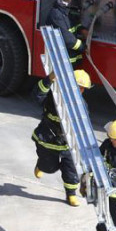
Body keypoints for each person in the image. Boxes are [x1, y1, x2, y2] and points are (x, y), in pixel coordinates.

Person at [31, 69, 92, 206]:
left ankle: (70, 195)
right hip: (48, 139)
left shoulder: (82, 104)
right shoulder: (54, 96)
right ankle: (41, 165)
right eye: (79, 87)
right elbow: (37, 96)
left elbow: (84, 123)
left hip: (69, 143)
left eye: (83, 89)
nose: (81, 91)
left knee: (71, 170)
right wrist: (49, 79)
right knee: (49, 168)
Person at [47, 0, 86, 66]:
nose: (70, 2)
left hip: (72, 57)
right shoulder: (56, 15)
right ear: (60, 2)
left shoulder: (66, 12)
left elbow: (75, 25)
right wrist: (82, 47)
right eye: (68, 0)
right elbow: (68, 39)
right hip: (65, 62)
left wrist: (83, 29)